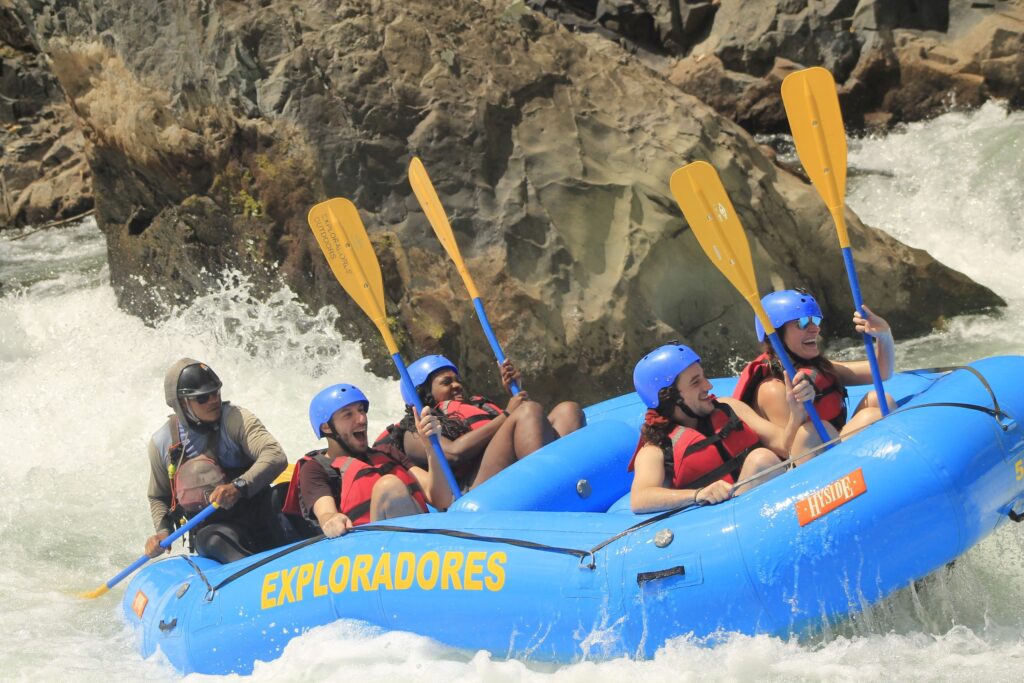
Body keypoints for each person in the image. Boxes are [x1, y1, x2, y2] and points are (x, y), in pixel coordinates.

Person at [629, 343, 816, 514]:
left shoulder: (729, 407)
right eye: (695, 382)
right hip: (728, 525)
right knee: (762, 460)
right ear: (668, 396)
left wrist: (796, 412)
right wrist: (698, 494)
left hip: (774, 500)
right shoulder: (656, 449)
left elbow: (785, 445)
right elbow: (640, 499)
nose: (708, 385)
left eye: (703, 377)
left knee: (812, 433)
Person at [144, 359, 289, 564]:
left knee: (283, 495)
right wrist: (162, 531)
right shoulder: (161, 443)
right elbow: (159, 496)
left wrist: (238, 486)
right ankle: (255, 578)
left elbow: (275, 455)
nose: (213, 400)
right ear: (181, 403)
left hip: (259, 511)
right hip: (215, 530)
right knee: (212, 539)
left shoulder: (236, 419)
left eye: (216, 393)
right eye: (202, 398)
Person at [377, 354, 585, 491]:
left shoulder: (476, 405)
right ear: (423, 393)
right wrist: (507, 415)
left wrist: (515, 390)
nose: (457, 385)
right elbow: (452, 454)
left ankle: (574, 480)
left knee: (568, 410)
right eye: (446, 382)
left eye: (457, 380)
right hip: (474, 490)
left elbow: (528, 431)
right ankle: (550, 489)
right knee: (528, 410)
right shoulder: (413, 430)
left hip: (507, 468)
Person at [281, 383, 454, 538]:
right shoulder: (314, 469)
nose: (362, 419)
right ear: (327, 427)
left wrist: (431, 447)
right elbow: (326, 514)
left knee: (390, 484)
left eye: (361, 411)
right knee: (389, 487)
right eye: (348, 414)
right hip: (368, 551)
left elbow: (441, 499)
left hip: (419, 537)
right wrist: (332, 520)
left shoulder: (388, 453)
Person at [733, 289, 896, 441]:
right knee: (867, 418)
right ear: (776, 335)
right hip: (813, 461)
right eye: (802, 323)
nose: (815, 329)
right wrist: (798, 412)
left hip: (835, 442)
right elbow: (792, 450)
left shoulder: (817, 366)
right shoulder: (772, 388)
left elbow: (881, 372)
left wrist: (884, 335)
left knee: (880, 400)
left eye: (815, 320)